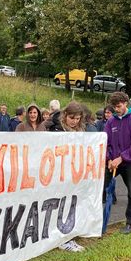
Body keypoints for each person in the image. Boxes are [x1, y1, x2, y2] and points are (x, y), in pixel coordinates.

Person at [104, 92, 131, 235]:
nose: (117, 109)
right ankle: (100, 220)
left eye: (119, 106)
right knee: (102, 187)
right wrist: (109, 159)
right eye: (114, 107)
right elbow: (106, 142)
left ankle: (129, 223)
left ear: (125, 104)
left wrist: (121, 158)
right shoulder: (111, 121)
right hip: (113, 161)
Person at [47, 102, 86, 251]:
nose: (74, 121)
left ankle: (68, 235)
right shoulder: (56, 130)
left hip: (73, 173)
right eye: (72, 118)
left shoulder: (81, 130)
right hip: (58, 173)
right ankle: (61, 238)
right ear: (65, 116)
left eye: (77, 118)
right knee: (59, 204)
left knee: (71, 204)